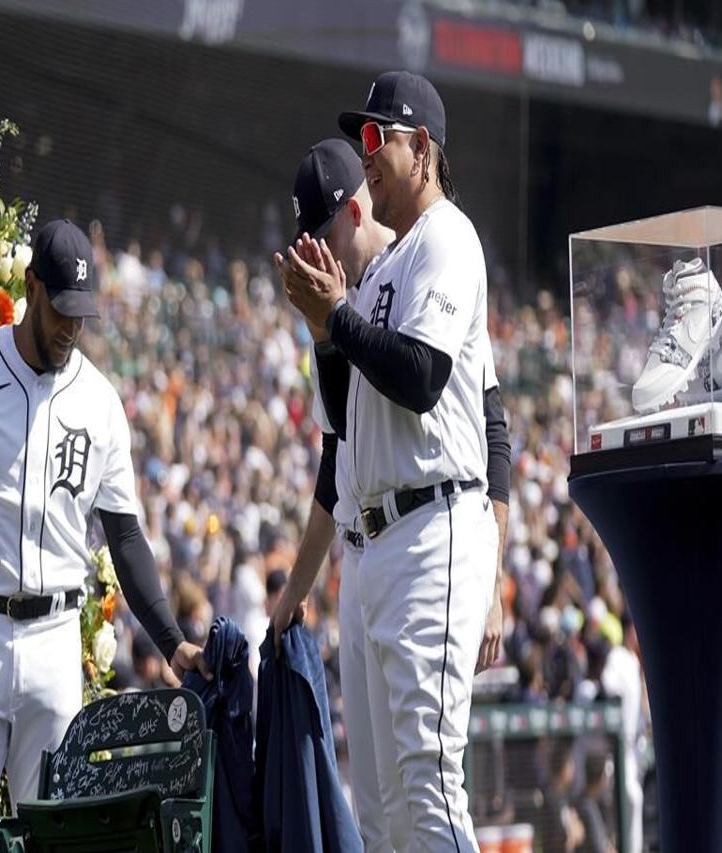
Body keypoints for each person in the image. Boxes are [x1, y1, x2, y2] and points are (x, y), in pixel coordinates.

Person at [0, 219, 210, 852]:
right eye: (61, 309)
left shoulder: (101, 401)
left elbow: (127, 538)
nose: (70, 328)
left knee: (54, 841)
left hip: (57, 638)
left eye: (81, 315)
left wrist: (171, 642)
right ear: (31, 287)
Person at [280, 71, 502, 850]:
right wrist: (322, 332)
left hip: (429, 526)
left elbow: (420, 377)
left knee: (426, 783)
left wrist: (337, 316)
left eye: (381, 137)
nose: (365, 151)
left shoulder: (447, 236)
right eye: (362, 137)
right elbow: (342, 422)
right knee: (379, 813)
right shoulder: (381, 269)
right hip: (375, 544)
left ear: (424, 149)